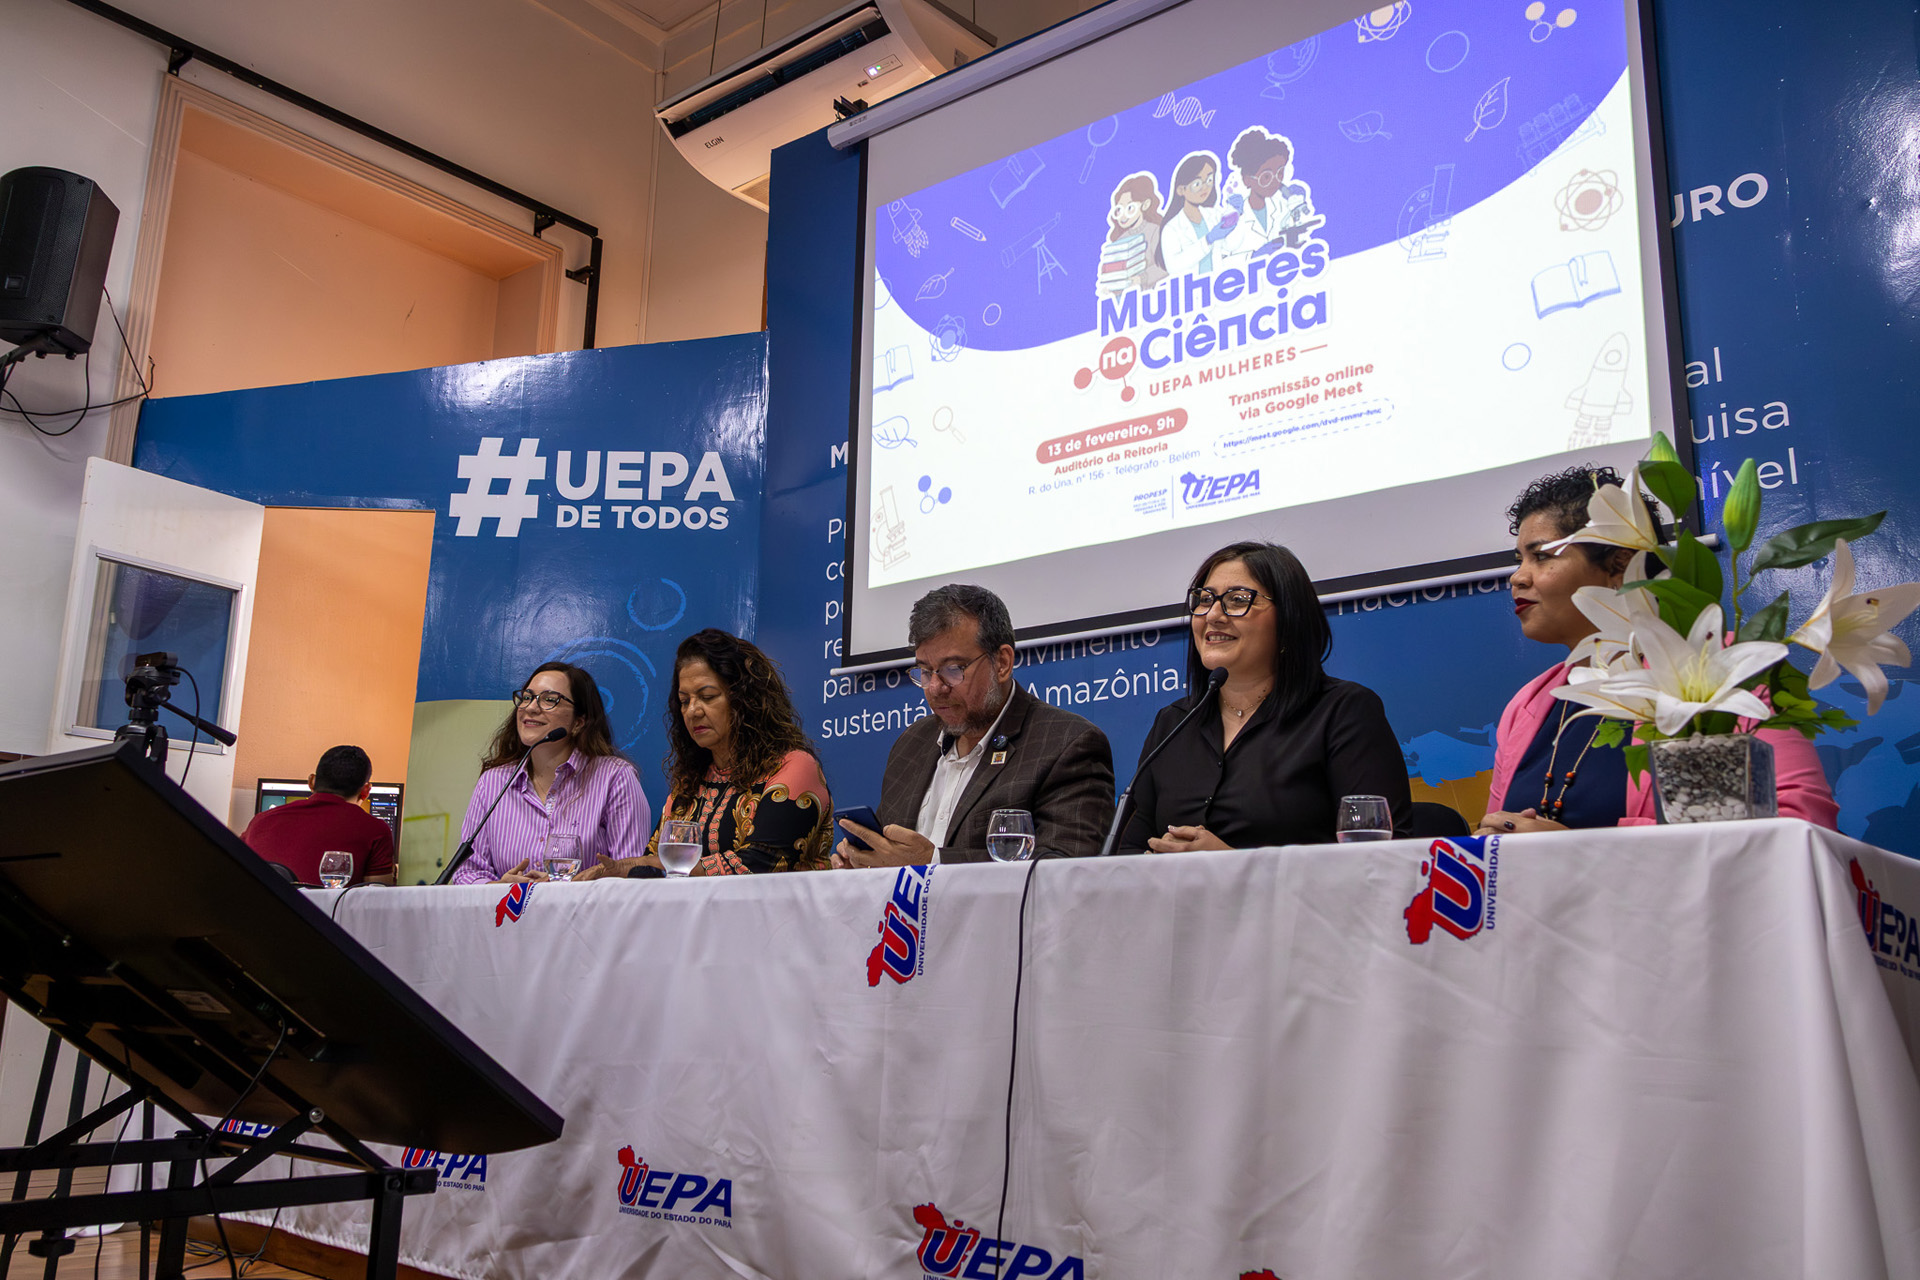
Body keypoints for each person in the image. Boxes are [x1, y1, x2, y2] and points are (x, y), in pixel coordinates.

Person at [1477, 466, 1838, 833]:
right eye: (1518, 559)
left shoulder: (1713, 667)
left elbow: (1800, 825)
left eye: (1541, 556)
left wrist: (1578, 851)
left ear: (1619, 565)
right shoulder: (1528, 704)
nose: (1517, 577)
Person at [1120, 541, 1412, 852]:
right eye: (1204, 600)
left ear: (1289, 619)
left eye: (1238, 600)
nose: (1213, 615)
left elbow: (1382, 861)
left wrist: (1229, 865)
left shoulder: (1344, 712)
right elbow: (1127, 852)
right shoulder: (1173, 723)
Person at [835, 584, 1114, 865]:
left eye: (953, 669)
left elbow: (1066, 869)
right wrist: (864, 867)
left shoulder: (1068, 744)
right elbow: (891, 858)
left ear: (1002, 663)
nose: (934, 687)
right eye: (924, 671)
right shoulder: (911, 744)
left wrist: (933, 863)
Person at [579, 630, 831, 879]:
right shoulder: (689, 784)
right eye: (684, 701)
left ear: (745, 699)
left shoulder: (794, 766)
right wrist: (625, 870)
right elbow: (653, 862)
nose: (692, 711)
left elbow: (761, 862)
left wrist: (652, 867)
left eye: (707, 697)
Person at [451, 662, 652, 884]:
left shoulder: (615, 778)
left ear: (579, 722)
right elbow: (467, 872)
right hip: (511, 918)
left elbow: (630, 873)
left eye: (549, 699)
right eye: (527, 697)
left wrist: (561, 889)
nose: (530, 708)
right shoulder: (493, 783)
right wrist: (498, 888)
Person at [243, 745, 396, 885]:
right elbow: (376, 897)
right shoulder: (376, 830)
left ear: (312, 781)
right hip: (323, 915)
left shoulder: (260, 821)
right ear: (366, 791)